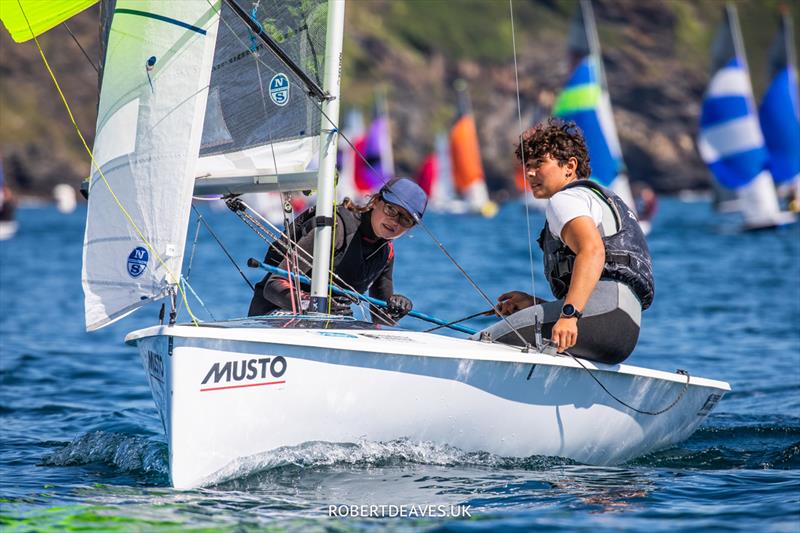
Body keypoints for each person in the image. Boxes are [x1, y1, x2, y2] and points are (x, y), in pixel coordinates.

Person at [475, 118, 654, 365]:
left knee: (482, 343)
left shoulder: (565, 200)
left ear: (569, 166)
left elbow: (592, 251)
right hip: (624, 332)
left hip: (595, 319)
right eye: (527, 165)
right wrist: (535, 305)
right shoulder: (599, 199)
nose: (529, 173)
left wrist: (569, 315)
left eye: (539, 164)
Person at [247, 178, 427, 325]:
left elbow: (380, 318)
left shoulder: (385, 253)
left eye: (406, 219)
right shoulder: (334, 228)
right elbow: (274, 286)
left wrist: (398, 307)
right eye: (391, 210)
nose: (395, 222)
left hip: (322, 327)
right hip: (272, 318)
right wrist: (316, 305)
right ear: (376, 201)